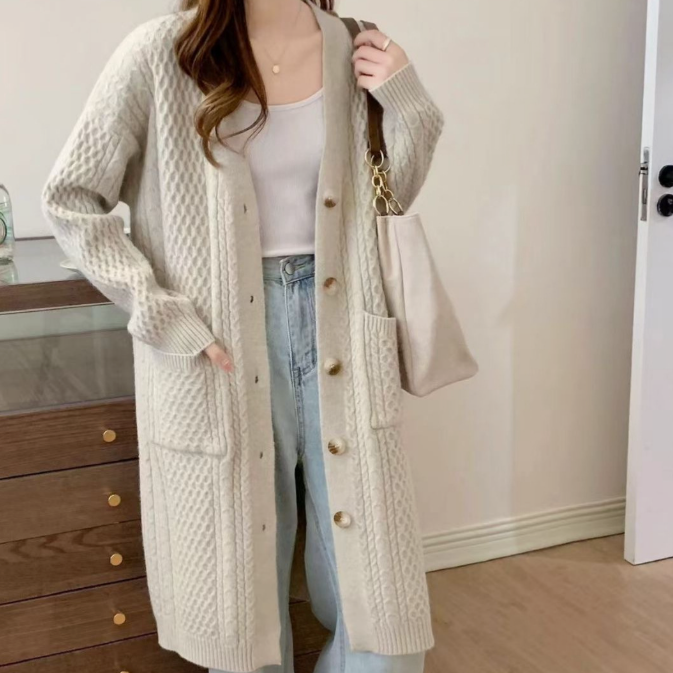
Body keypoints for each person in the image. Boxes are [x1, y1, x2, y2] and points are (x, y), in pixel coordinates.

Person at [41, 1, 445, 671]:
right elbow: (70, 198)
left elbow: (389, 196)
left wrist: (408, 102)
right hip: (218, 342)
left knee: (379, 587)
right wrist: (160, 311)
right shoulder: (160, 53)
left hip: (343, 325)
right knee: (240, 574)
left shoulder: (355, 46)